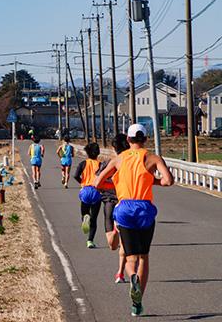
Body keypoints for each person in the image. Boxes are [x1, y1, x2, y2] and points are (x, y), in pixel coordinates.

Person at [93, 124, 173, 317]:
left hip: (124, 209)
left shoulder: (119, 158)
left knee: (130, 257)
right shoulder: (152, 157)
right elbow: (168, 180)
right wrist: (150, 180)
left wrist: (117, 183)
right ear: (145, 139)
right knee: (144, 256)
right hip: (145, 209)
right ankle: (137, 305)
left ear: (128, 140)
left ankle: (132, 276)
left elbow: (97, 182)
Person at [97, 133, 131, 283]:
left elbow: (96, 182)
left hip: (110, 202)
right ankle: (120, 273)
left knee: (113, 244)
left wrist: (108, 186)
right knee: (118, 245)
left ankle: (120, 273)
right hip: (126, 204)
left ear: (113, 148)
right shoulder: (132, 164)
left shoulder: (109, 163)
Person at [73, 142, 105, 249]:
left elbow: (76, 175)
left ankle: (84, 218)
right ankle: (90, 241)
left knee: (85, 212)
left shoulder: (83, 163)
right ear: (98, 153)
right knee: (94, 219)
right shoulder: (100, 165)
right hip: (96, 191)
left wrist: (82, 182)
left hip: (85, 190)